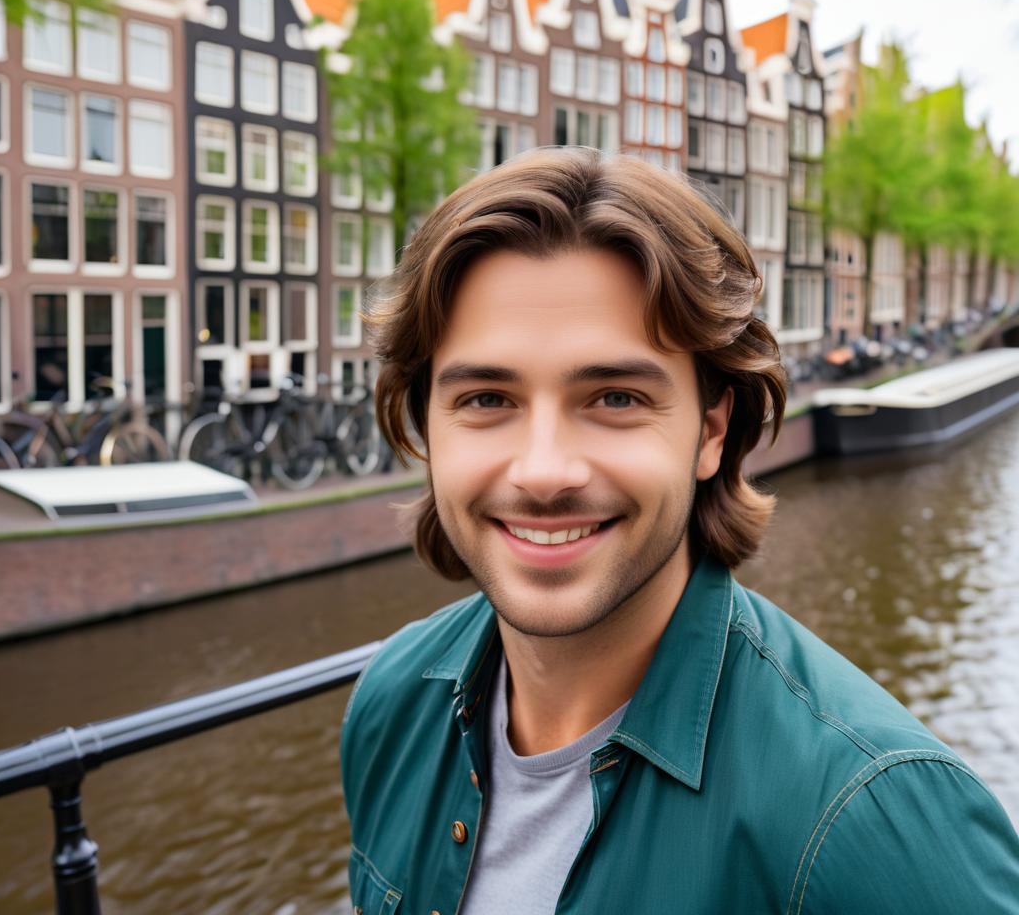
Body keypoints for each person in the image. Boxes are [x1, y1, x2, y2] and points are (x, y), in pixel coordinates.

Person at [339, 148, 1019, 914]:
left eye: (617, 398)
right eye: (489, 400)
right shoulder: (391, 703)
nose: (543, 471)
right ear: (427, 425)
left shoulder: (878, 827)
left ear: (710, 431)